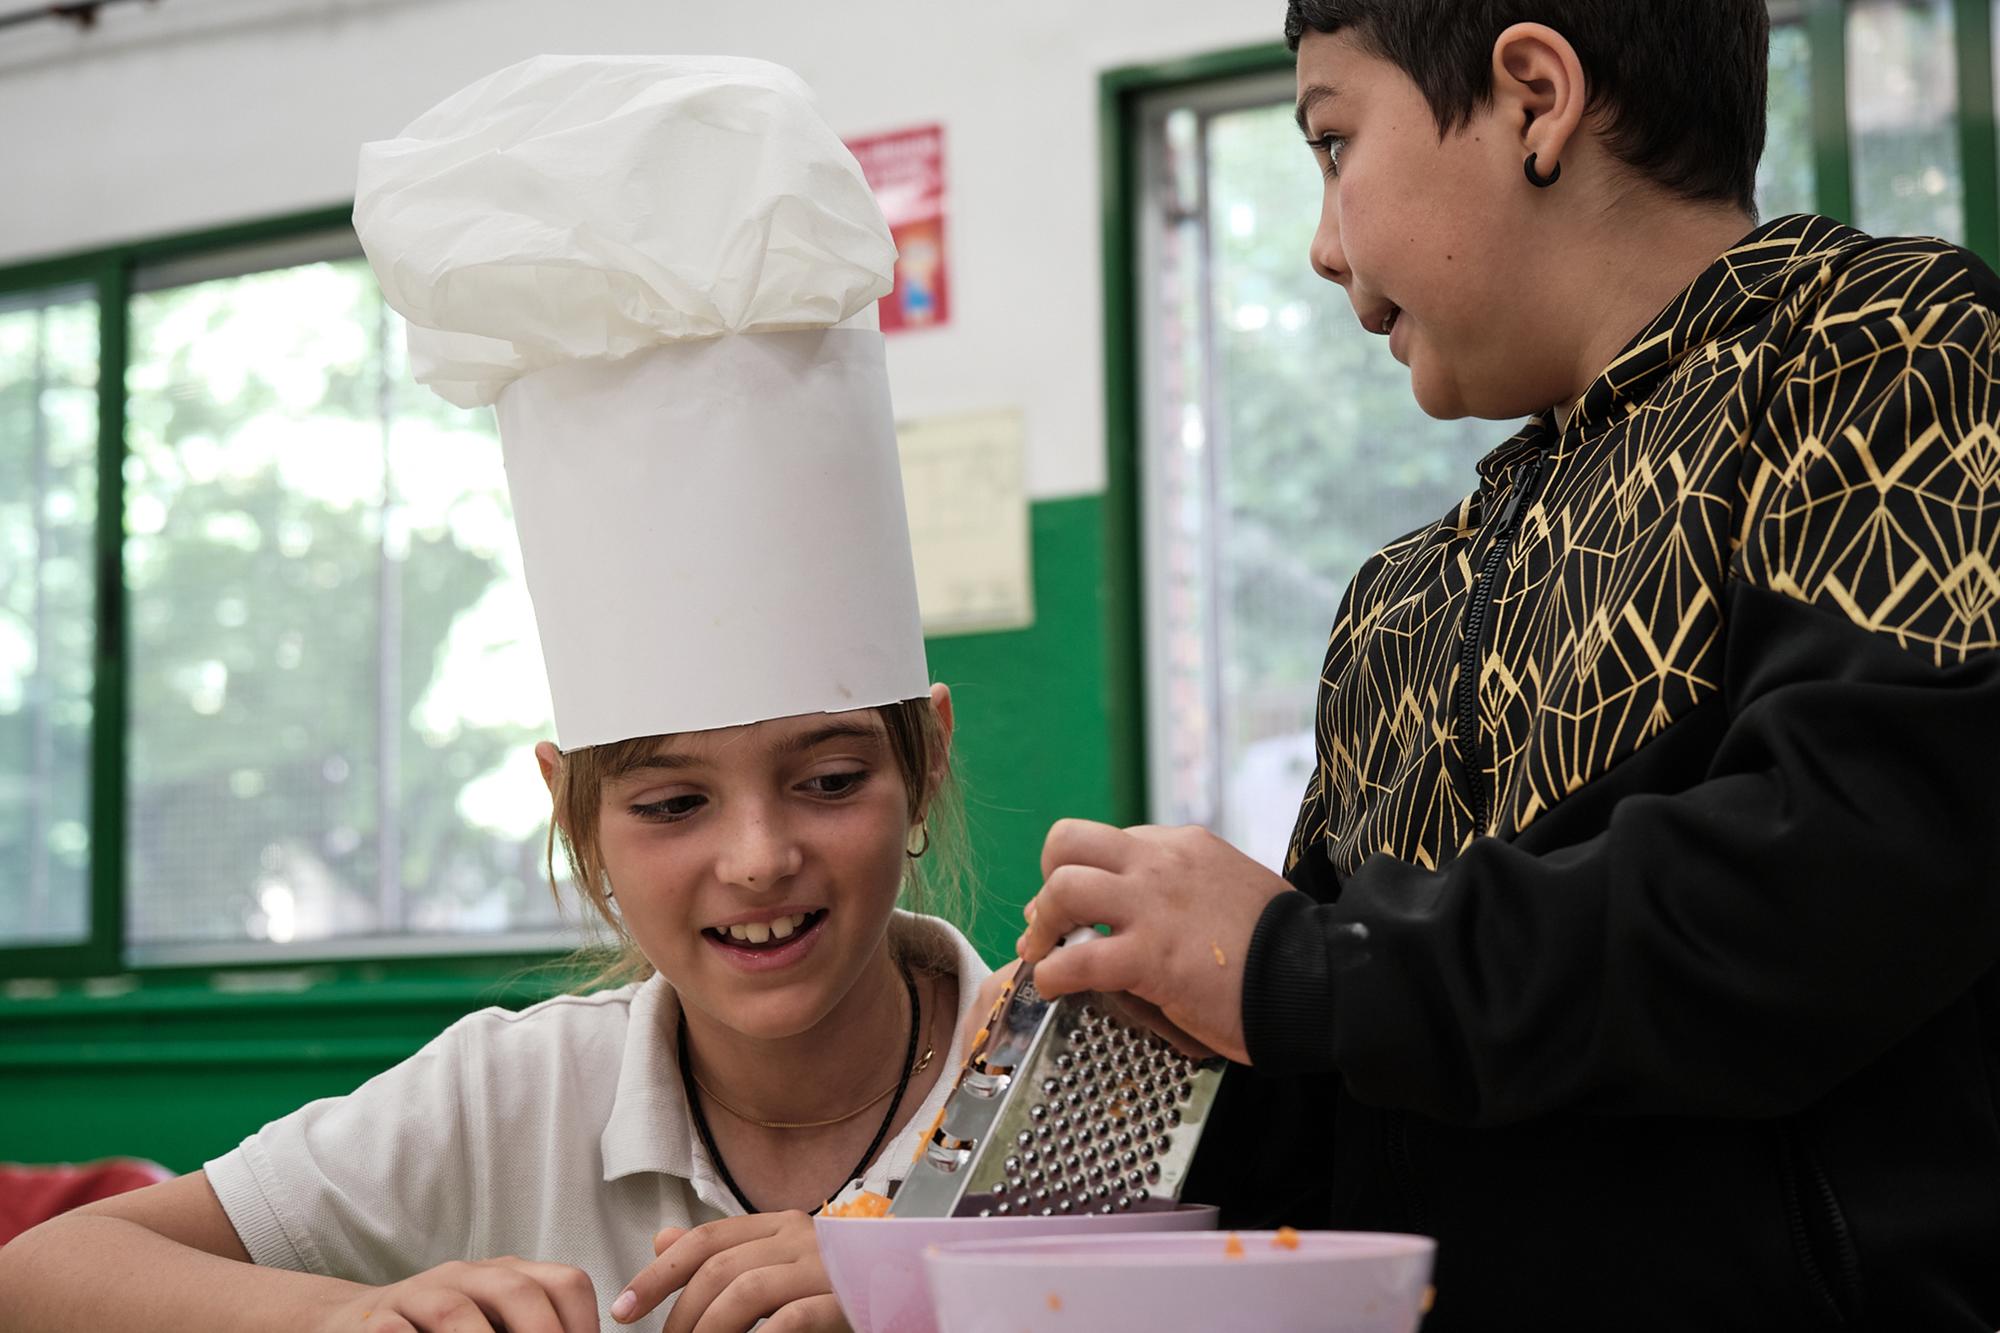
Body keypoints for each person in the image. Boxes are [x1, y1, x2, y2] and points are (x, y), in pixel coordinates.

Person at [1017, 3, 2000, 1329]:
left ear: (1535, 98)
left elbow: (1844, 880)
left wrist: (1305, 968)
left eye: (1329, 141)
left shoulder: (1887, 351)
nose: (1322, 248)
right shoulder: (1399, 608)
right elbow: (1354, 1095)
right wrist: (1189, 1031)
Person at [0, 55, 991, 1333]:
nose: (759, 856)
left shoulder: (1062, 1080)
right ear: (575, 822)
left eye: (829, 777)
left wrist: (927, 1291)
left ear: (928, 761)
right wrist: (341, 1316)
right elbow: (40, 1274)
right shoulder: (507, 1094)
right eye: (673, 800)